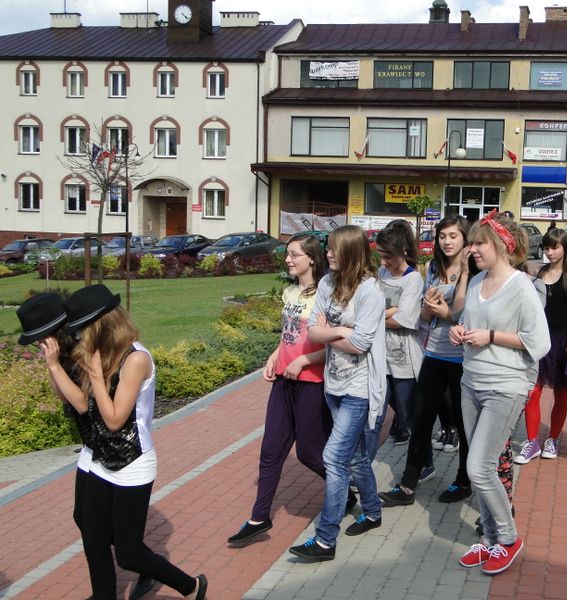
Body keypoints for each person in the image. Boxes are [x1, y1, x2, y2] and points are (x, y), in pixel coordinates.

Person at [50, 284, 206, 599]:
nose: (78, 336)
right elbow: (80, 404)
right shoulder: (99, 354)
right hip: (99, 457)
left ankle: (191, 586)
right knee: (93, 537)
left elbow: (114, 420)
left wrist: (95, 375)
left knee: (129, 553)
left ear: (102, 325)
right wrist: (54, 365)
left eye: (82, 329)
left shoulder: (135, 359)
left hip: (131, 463)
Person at [16, 295, 156, 600]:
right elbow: (65, 397)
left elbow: (82, 404)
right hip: (93, 447)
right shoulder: (68, 350)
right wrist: (53, 366)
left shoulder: (87, 349)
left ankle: (140, 564)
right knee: (86, 520)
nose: (39, 344)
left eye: (40, 338)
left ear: (53, 332)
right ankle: (114, 582)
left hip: (120, 451)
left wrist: (58, 365)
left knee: (114, 540)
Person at [450, 209, 550, 576]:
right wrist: (459, 332)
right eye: (472, 243)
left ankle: (508, 539)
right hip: (471, 382)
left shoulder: (522, 287)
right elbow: (468, 322)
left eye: (479, 243)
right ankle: (491, 538)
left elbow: (539, 343)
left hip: (505, 386)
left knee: (479, 467)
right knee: (480, 466)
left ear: (501, 245)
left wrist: (491, 337)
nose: (472, 249)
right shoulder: (477, 282)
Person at [289, 225, 386, 561]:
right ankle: (372, 512)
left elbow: (361, 345)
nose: (327, 254)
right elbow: (313, 332)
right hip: (334, 384)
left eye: (333, 248)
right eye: (327, 248)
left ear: (351, 252)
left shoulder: (370, 292)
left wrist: (332, 332)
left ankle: (325, 540)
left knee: (333, 458)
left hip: (360, 388)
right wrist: (342, 331)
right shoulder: (327, 283)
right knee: (356, 456)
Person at [227, 233, 331, 547]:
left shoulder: (325, 294)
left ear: (311, 258)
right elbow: (288, 334)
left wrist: (303, 361)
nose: (288, 259)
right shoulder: (290, 292)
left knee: (309, 453)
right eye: (287, 254)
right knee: (271, 450)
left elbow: (335, 345)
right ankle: (259, 518)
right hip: (284, 381)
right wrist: (275, 356)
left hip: (312, 383)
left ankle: (347, 489)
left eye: (294, 254)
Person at [379, 215, 474, 508]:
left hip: (461, 359)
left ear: (465, 238)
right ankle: (407, 485)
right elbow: (422, 317)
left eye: (453, 236)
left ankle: (463, 481)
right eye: (442, 236)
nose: (447, 241)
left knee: (463, 423)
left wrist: (446, 311)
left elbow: (465, 316)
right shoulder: (433, 267)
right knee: (420, 421)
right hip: (432, 353)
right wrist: (429, 310)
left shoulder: (475, 271)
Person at [515, 228, 567, 464]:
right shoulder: (540, 272)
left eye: (555, 247)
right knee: (533, 392)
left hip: (563, 338)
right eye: (546, 247)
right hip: (540, 337)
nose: (550, 252)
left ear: (564, 248)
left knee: (561, 393)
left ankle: (552, 439)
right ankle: (532, 441)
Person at [373, 221, 423, 449]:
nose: (384, 262)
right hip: (379, 355)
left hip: (404, 359)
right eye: (381, 256)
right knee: (378, 409)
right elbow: (368, 309)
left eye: (388, 257)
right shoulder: (381, 273)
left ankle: (418, 454)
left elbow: (403, 320)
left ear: (403, 251)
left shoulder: (413, 279)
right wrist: (391, 311)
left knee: (406, 410)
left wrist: (378, 317)